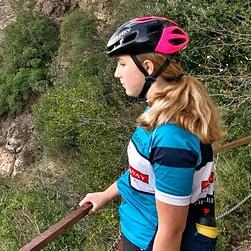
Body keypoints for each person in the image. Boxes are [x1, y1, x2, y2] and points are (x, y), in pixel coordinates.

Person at [79, 16, 224, 251]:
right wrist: (106, 194)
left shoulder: (171, 136)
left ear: (148, 68)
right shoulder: (159, 110)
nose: (117, 73)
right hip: (140, 233)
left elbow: (172, 229)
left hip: (153, 239)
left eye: (122, 64)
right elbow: (145, 172)